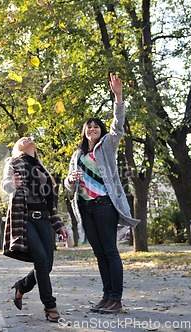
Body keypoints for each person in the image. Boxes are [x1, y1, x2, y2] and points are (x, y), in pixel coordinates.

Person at [64, 73, 140, 314]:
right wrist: (70, 179)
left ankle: (116, 298)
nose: (93, 128)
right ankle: (106, 296)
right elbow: (68, 186)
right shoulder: (77, 156)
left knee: (110, 250)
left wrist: (118, 96)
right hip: (85, 207)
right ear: (84, 131)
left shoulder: (107, 145)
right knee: (99, 253)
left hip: (104, 205)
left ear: (100, 130)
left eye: (96, 125)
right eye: (89, 126)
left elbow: (118, 126)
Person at [1, 137, 69, 323]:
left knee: (46, 266)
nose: (27, 137)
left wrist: (59, 225)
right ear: (18, 147)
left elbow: (49, 204)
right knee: (40, 258)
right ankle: (50, 305)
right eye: (22, 138)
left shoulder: (41, 168)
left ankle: (21, 286)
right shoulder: (13, 163)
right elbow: (5, 185)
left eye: (29, 137)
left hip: (44, 220)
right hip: (25, 218)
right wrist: (12, 184)